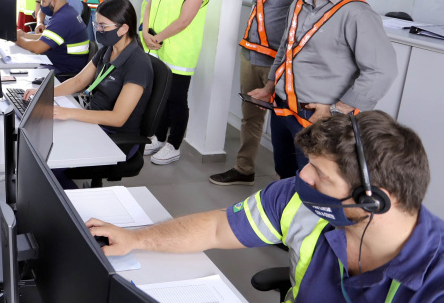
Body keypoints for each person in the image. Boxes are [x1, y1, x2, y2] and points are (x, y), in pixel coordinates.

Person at [88, 111, 444, 302]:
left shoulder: (435, 279)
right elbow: (216, 227)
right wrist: (135, 239)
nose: (302, 177)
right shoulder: (296, 195)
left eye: (320, 174)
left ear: (375, 199)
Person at [249, 0, 397, 179]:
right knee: (285, 174)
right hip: (283, 110)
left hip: (319, 119)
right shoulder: (300, 3)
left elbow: (381, 70)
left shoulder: (357, 14)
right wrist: (270, 86)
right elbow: (286, 50)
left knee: (315, 185)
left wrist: (338, 110)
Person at [210, 0, 310, 187]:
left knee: (288, 124)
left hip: (282, 61)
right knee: (250, 116)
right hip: (252, 53)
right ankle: (244, 168)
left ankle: (292, 184)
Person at [25, 0, 153, 164]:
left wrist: (69, 113)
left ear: (123, 29)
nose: (98, 30)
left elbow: (118, 118)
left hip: (113, 135)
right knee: (42, 139)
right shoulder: (108, 50)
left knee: (48, 157)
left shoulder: (138, 64)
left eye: (103, 26)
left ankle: (60, 188)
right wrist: (45, 93)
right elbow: (78, 81)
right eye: (96, 25)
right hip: (91, 120)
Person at [142, 0, 210, 165]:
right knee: (159, 96)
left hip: (179, 52)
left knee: (176, 100)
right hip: (155, 47)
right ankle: (159, 138)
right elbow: (150, 4)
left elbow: (184, 21)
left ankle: (174, 144)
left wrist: (157, 37)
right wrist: (145, 32)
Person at [15, 0, 89, 77]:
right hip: (61, 64)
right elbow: (46, 37)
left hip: (63, 72)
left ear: (53, 1)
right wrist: (24, 35)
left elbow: (37, 48)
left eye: (43, 1)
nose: (42, 5)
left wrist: (17, 39)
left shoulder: (63, 19)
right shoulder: (68, 11)